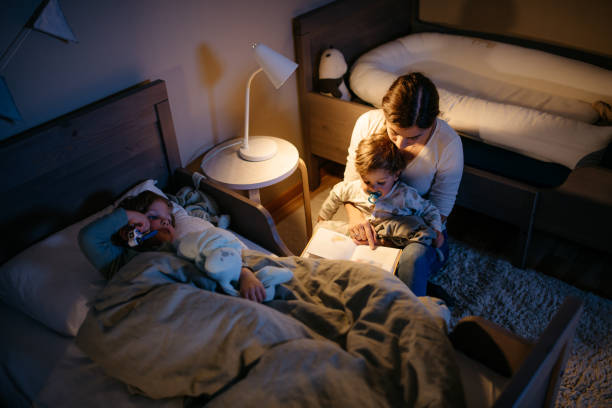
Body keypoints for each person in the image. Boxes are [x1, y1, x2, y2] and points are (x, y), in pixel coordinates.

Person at [343, 72, 463, 298]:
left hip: (418, 227)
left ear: (433, 123)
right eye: (394, 132)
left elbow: (441, 207)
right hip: (372, 218)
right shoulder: (367, 123)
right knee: (334, 243)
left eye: (414, 137)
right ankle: (417, 291)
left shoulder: (448, 143)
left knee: (411, 261)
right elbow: (350, 184)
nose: (400, 144)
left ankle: (409, 309)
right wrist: (356, 218)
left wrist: (393, 236)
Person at [78, 190, 266, 302]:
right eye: (153, 217)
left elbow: (222, 256)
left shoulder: (184, 247)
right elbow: (88, 238)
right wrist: (129, 216)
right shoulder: (117, 260)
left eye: (168, 220)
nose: (165, 222)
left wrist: (245, 274)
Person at [317, 132, 444, 250]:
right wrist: (323, 217)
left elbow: (429, 210)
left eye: (381, 183)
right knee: (325, 230)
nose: (373, 188)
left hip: (394, 234)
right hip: (364, 231)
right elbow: (336, 192)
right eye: (367, 182)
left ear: (396, 175)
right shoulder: (353, 188)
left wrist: (436, 229)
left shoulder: (405, 195)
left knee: (417, 229)